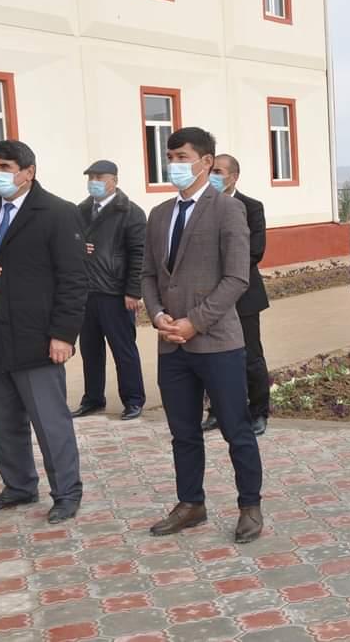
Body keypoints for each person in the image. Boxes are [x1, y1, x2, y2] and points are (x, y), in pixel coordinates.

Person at [0, 139, 87, 524]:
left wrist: (63, 335)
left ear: (28, 172)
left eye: (5, 167)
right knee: (3, 420)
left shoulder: (57, 213)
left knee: (49, 421)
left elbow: (74, 280)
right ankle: (19, 486)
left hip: (36, 338)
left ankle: (67, 493)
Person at [141, 127, 264, 544]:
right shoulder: (159, 214)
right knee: (183, 432)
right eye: (169, 157)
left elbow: (236, 277)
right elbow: (148, 274)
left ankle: (250, 506)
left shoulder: (227, 210)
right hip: (171, 343)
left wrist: (195, 321)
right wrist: (158, 315)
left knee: (236, 429)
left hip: (217, 342)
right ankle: (191, 503)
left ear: (206, 162)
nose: (173, 164)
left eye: (181, 157)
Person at [70, 160, 148, 421]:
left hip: (115, 292)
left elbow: (139, 254)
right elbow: (70, 242)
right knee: (90, 350)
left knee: (123, 349)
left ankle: (133, 399)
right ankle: (93, 399)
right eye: (90, 177)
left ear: (114, 180)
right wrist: (77, 248)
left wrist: (133, 291)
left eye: (99, 177)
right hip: (86, 292)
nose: (94, 182)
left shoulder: (130, 212)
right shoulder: (80, 211)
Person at [201, 154, 271, 437]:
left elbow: (255, 251)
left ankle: (258, 412)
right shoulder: (202, 207)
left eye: (218, 171)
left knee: (250, 356)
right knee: (214, 356)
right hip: (209, 297)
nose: (213, 176)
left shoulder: (251, 207)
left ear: (234, 177)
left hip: (243, 295)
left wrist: (221, 269)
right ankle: (217, 411)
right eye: (211, 171)